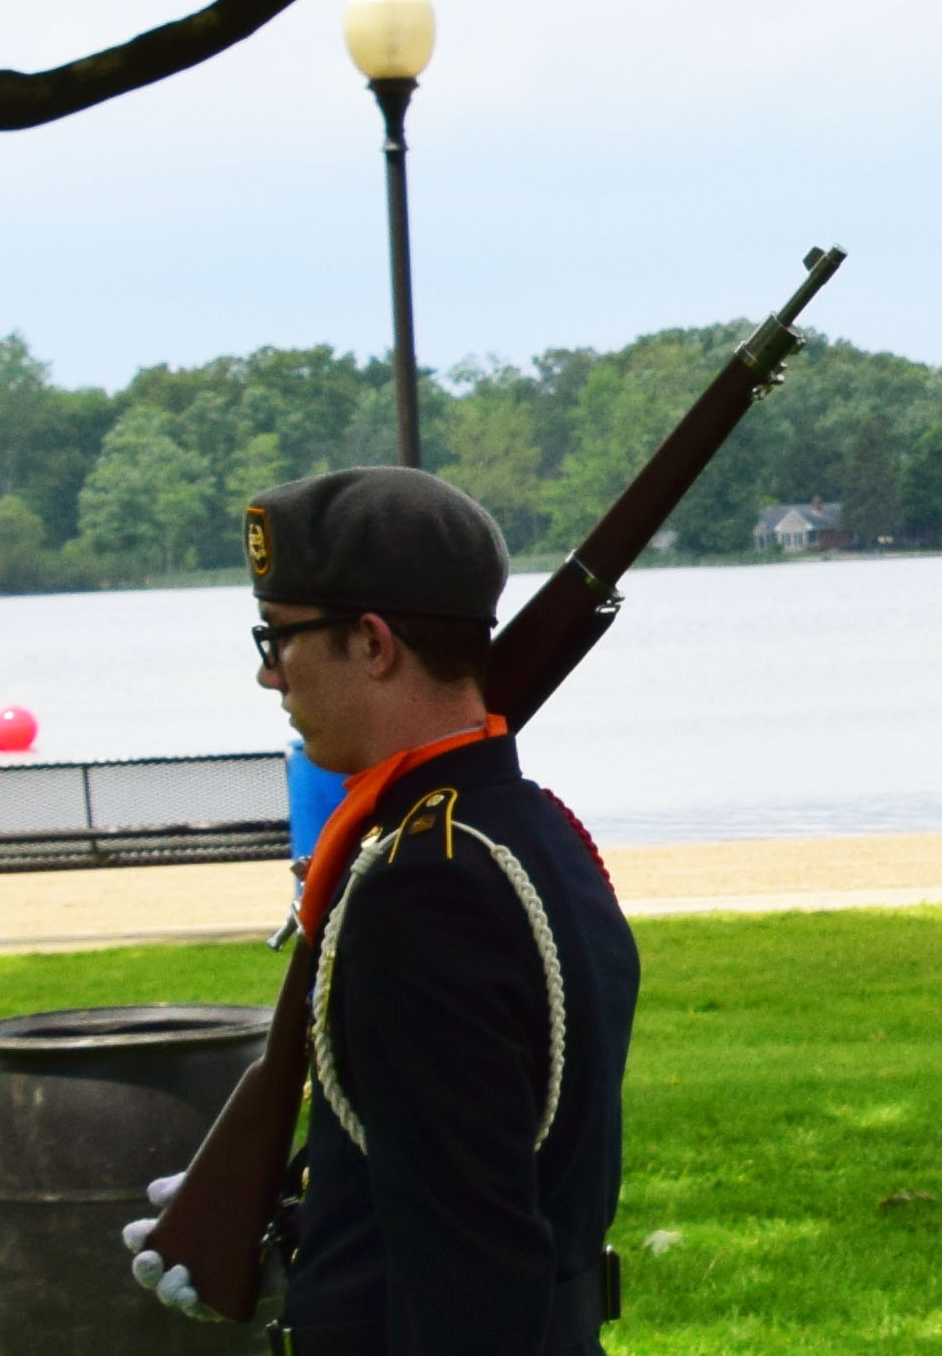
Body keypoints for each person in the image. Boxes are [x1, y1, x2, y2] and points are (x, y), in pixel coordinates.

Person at [130, 467, 637, 1353]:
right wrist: (310, 1209)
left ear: (372, 643)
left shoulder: (424, 883)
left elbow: (473, 1267)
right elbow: (468, 1168)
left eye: (277, 636)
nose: (265, 673)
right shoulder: (529, 832)